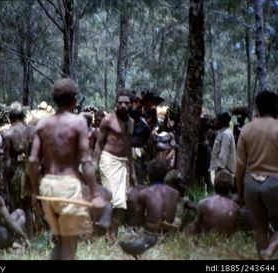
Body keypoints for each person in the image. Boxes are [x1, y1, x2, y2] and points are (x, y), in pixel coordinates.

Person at [30, 78, 101, 260]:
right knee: (70, 246)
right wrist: (94, 192)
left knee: (62, 241)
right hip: (68, 187)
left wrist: (34, 192)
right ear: (75, 99)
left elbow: (33, 161)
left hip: (47, 186)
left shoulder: (42, 124)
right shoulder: (78, 123)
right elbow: (86, 161)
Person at [235, 90, 278, 259]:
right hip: (275, 183)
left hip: (251, 185)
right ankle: (268, 252)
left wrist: (240, 191)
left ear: (258, 108)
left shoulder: (246, 129)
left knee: (261, 229)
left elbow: (239, 164)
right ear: (276, 108)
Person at [93, 90, 137, 241]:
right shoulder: (107, 120)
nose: (123, 105)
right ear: (116, 104)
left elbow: (129, 147)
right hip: (108, 160)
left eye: (126, 103)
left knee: (121, 201)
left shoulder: (131, 123)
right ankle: (106, 233)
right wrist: (94, 164)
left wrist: (132, 172)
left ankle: (113, 233)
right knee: (111, 198)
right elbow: (99, 144)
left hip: (123, 162)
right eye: (120, 102)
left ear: (131, 104)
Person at [2, 101, 34, 238]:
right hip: (30, 170)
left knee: (16, 204)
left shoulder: (8, 134)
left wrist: (5, 178)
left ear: (10, 117)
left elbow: (7, 160)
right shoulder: (31, 131)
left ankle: (20, 237)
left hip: (16, 171)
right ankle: (30, 236)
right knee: (28, 205)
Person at [185, 170, 240, 236]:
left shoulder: (204, 203)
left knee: (191, 226)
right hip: (226, 241)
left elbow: (196, 226)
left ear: (214, 186)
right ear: (230, 188)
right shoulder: (236, 208)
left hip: (207, 239)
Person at [138, 159, 181, 232]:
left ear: (149, 175)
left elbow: (139, 219)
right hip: (168, 234)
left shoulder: (144, 193)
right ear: (165, 174)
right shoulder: (175, 193)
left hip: (150, 233)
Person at [209, 112, 236, 186]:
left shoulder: (226, 134)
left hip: (224, 169)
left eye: (217, 120)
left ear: (221, 122)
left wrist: (220, 170)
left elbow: (223, 154)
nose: (215, 122)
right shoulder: (222, 133)